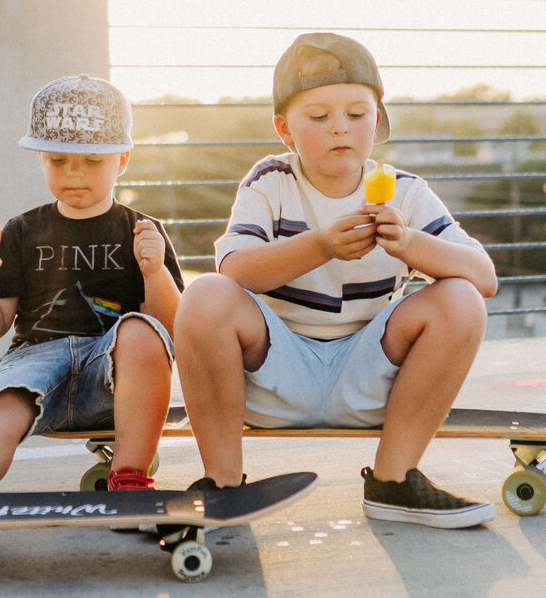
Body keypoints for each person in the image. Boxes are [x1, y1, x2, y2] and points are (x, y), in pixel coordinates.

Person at [174, 33, 498, 529]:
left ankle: (394, 478)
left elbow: (484, 277)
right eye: (318, 117)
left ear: (379, 120)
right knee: (204, 295)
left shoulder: (406, 192)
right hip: (275, 376)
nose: (339, 129)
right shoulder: (269, 182)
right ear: (285, 129)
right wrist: (320, 245)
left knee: (461, 298)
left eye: (355, 114)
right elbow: (236, 269)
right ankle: (223, 483)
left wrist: (411, 245)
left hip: (371, 377)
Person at [0, 74, 184, 544]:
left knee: (139, 332)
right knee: (5, 398)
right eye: (59, 160)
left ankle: (130, 479)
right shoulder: (22, 231)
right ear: (40, 159)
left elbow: (171, 328)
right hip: (39, 361)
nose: (74, 174)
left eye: (92, 162)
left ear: (123, 161)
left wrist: (154, 273)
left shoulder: (142, 231)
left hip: (111, 373)